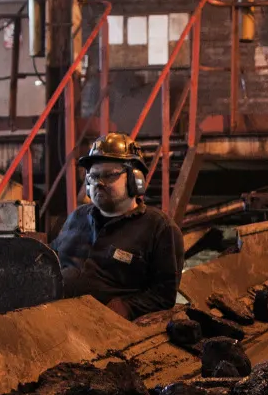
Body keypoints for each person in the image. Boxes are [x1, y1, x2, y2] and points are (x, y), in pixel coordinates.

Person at [50, 132, 184, 319]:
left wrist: (126, 308)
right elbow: (52, 259)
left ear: (135, 179)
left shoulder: (159, 229)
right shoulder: (77, 218)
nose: (99, 183)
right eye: (93, 176)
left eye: (109, 175)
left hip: (110, 330)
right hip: (55, 320)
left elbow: (163, 295)